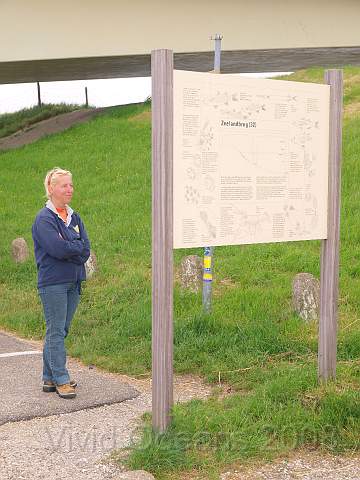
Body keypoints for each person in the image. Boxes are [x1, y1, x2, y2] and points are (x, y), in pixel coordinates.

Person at [31, 167, 90, 399]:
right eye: (64, 185)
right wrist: (72, 248)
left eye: (71, 185)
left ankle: (48, 377)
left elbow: (85, 249)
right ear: (51, 188)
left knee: (60, 330)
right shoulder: (44, 219)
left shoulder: (74, 217)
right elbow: (56, 248)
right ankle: (61, 380)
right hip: (53, 283)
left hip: (74, 281)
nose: (69, 189)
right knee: (56, 330)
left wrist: (71, 249)